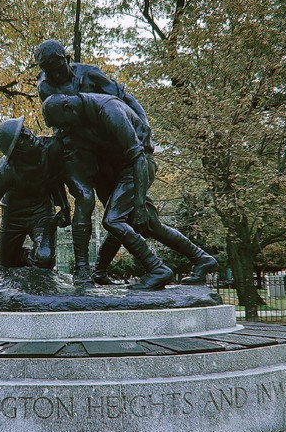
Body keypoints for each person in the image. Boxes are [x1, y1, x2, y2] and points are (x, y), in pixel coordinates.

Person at [42, 92, 216, 290]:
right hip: (120, 171)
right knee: (150, 225)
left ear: (68, 108)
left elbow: (139, 158)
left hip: (137, 168)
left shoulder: (109, 111)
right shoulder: (79, 114)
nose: (64, 129)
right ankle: (202, 259)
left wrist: (139, 203)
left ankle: (157, 269)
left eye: (63, 124)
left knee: (113, 220)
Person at [34, 40, 152, 285]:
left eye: (59, 68)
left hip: (106, 147)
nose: (56, 75)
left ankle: (100, 270)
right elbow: (61, 120)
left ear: (67, 58)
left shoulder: (89, 73)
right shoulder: (45, 87)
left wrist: (143, 122)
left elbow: (122, 95)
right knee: (85, 198)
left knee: (117, 214)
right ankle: (81, 269)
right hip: (76, 147)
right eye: (50, 71)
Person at [0, 117, 70, 269]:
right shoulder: (5, 171)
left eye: (24, 129)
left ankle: (38, 251)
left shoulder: (51, 148)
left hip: (42, 213)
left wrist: (65, 207)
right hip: (13, 218)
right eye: (21, 138)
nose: (28, 134)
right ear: (16, 154)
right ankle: (22, 255)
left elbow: (55, 178)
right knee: (6, 267)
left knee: (45, 259)